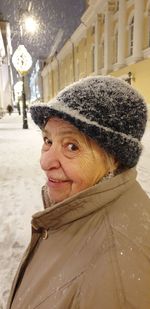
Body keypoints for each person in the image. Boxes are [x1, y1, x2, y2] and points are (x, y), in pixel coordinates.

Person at [7, 76, 150, 309]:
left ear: (114, 158)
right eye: (48, 140)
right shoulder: (80, 210)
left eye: (72, 146)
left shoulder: (116, 277)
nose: (45, 161)